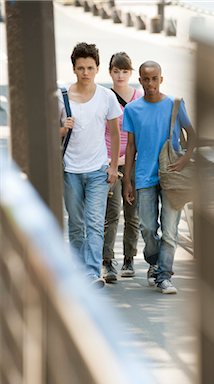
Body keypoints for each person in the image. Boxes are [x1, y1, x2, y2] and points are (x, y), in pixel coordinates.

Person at [123, 61, 196, 294]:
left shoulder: (174, 104)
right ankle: (154, 262)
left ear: (161, 79)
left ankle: (164, 276)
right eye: (146, 79)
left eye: (155, 78)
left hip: (172, 175)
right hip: (144, 176)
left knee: (170, 229)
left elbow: (193, 136)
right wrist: (127, 180)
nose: (150, 83)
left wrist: (184, 161)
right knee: (146, 227)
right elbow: (131, 147)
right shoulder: (132, 110)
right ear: (140, 80)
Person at [58, 42, 122, 288]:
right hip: (70, 171)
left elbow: (115, 134)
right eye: (81, 68)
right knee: (76, 224)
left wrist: (113, 166)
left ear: (97, 69)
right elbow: (51, 131)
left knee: (95, 223)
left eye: (90, 68)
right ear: (74, 69)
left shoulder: (106, 97)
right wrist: (64, 128)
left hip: (97, 171)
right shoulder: (62, 96)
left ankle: (92, 273)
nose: (85, 72)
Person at [102, 52, 141, 283]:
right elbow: (101, 131)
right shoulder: (105, 97)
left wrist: (129, 160)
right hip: (110, 162)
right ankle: (108, 261)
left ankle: (129, 258)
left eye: (125, 71)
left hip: (133, 162)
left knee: (132, 214)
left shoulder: (138, 97)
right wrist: (112, 160)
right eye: (116, 71)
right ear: (110, 72)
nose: (120, 75)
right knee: (112, 213)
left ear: (130, 72)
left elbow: (140, 132)